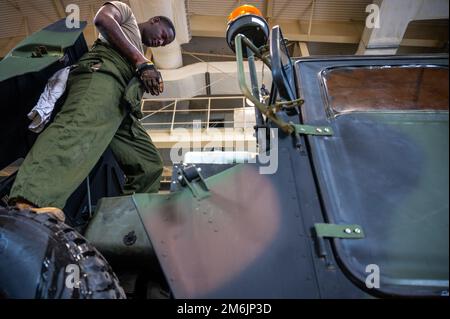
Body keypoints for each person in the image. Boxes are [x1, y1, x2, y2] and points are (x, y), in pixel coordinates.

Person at [9, 1, 176, 222]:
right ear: (155, 20)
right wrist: (141, 62)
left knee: (149, 165)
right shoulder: (126, 15)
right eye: (163, 35)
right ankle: (28, 200)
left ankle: (121, 225)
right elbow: (103, 19)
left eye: (164, 43)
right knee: (75, 130)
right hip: (102, 76)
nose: (161, 42)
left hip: (122, 104)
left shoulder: (141, 51)